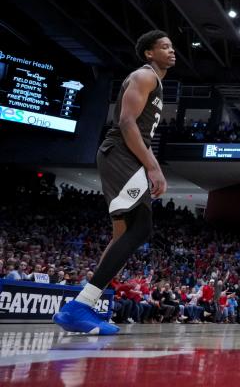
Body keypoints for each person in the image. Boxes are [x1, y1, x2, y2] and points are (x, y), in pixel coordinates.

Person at [53, 31, 174, 335]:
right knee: (141, 228)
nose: (172, 51)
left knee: (122, 234)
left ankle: (83, 305)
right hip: (121, 152)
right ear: (149, 53)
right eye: (164, 47)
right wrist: (153, 167)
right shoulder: (144, 76)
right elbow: (126, 122)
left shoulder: (155, 82)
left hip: (125, 156)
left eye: (172, 47)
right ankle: (79, 307)